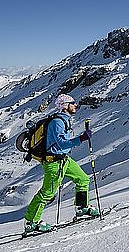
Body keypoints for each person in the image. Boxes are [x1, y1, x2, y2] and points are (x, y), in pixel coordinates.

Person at [24, 94, 99, 233]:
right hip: (53, 162)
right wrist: (81, 138)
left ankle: (82, 208)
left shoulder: (64, 120)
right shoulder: (58, 122)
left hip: (63, 160)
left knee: (82, 179)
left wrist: (80, 138)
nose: (75, 105)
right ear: (65, 105)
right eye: (73, 103)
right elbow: (61, 143)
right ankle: (31, 222)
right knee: (47, 192)